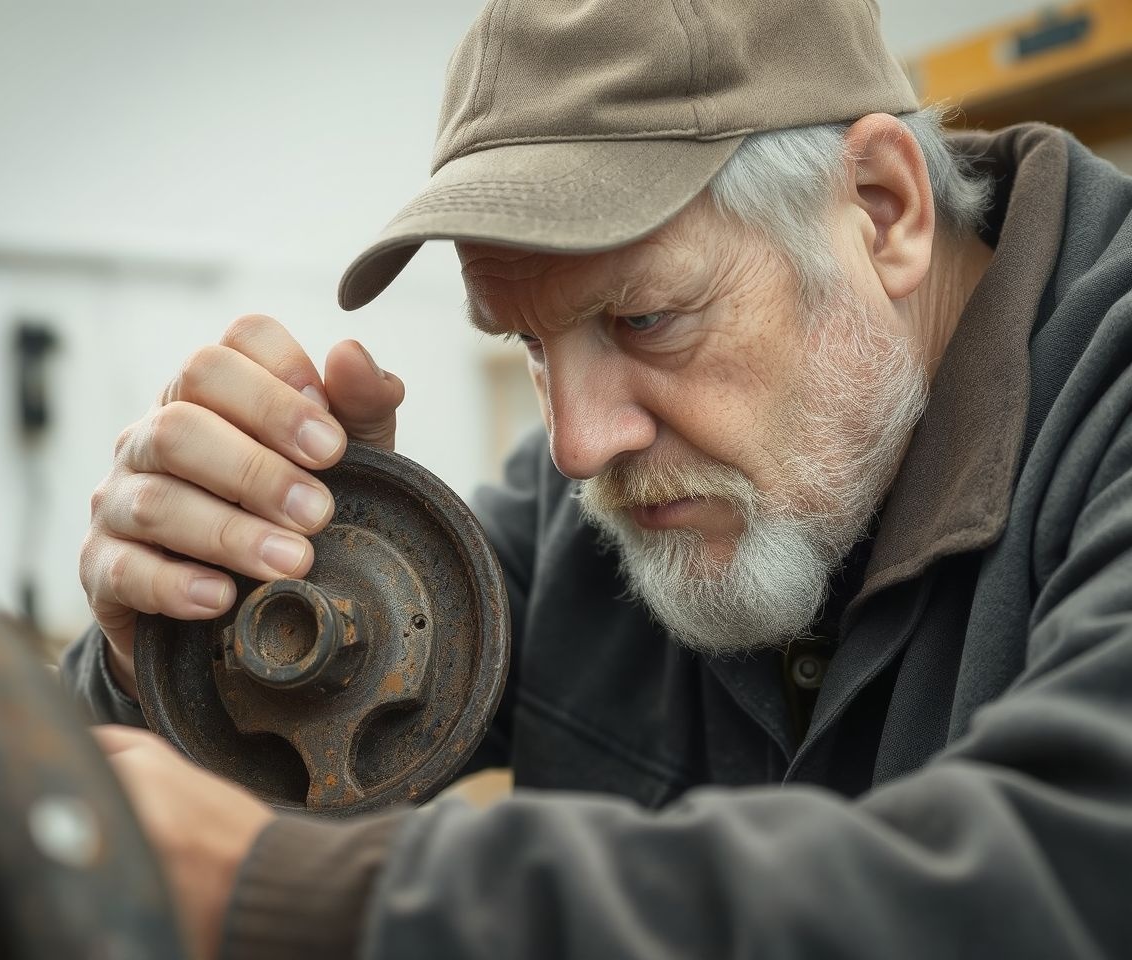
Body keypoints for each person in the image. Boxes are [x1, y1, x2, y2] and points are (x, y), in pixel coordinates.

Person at [62, 0, 1132, 957]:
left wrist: (313, 904)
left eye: (644, 319)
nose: (578, 445)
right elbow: (233, 775)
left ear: (880, 208)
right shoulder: (597, 496)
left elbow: (1063, 878)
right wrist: (178, 643)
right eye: (531, 344)